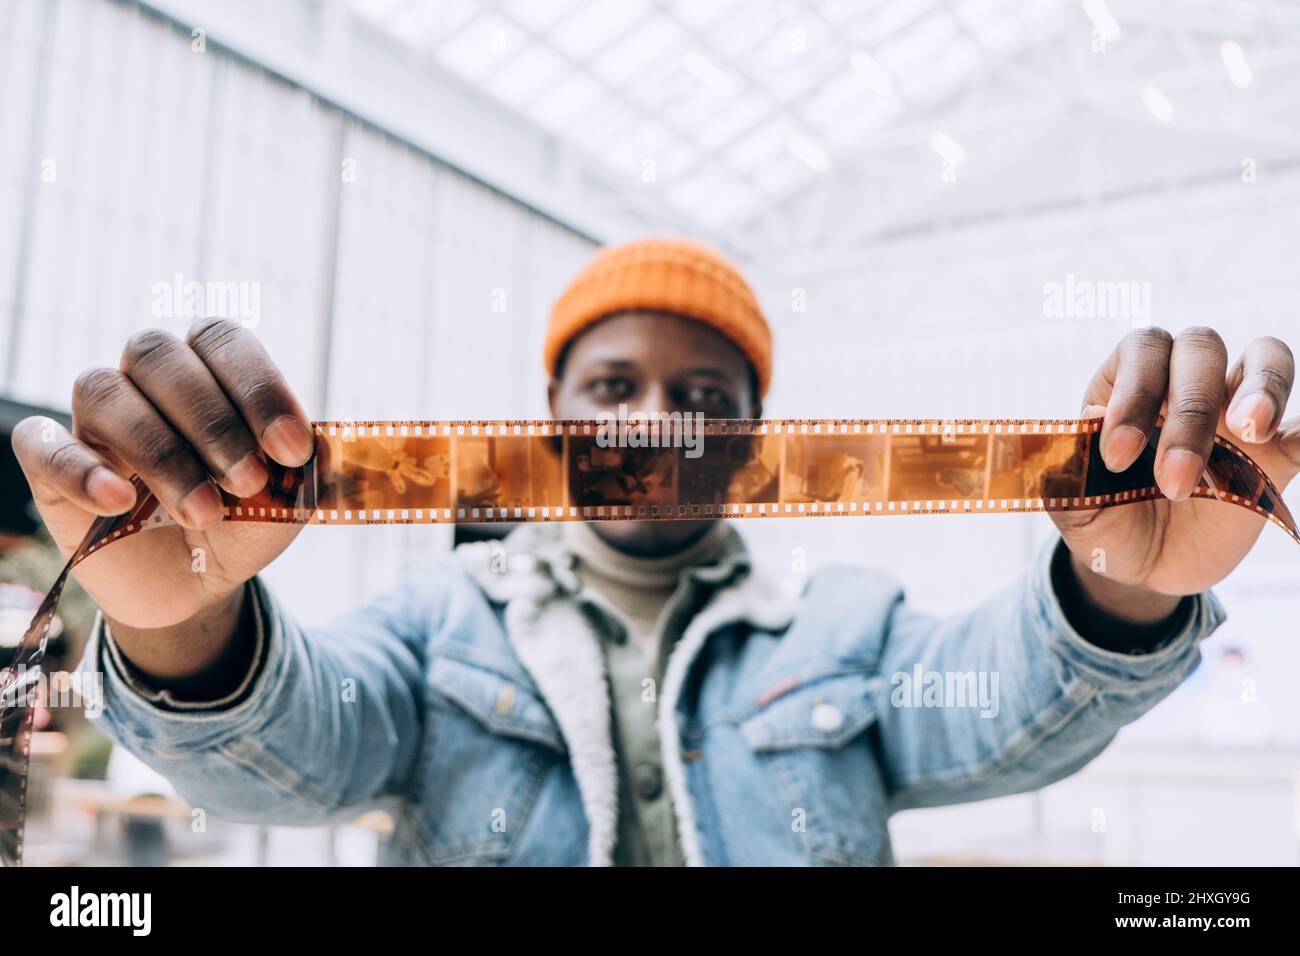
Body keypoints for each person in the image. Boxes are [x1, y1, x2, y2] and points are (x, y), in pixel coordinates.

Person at [12, 237, 1299, 865]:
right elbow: (293, 758)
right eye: (610, 383)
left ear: (753, 441)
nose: (656, 418)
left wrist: (1121, 588)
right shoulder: (433, 623)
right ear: (552, 419)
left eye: (706, 392)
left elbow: (1005, 702)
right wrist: (177, 625)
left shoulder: (852, 627)